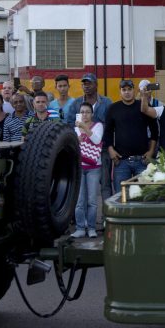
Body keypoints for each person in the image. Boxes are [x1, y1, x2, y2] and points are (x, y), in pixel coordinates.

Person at [104, 80, 159, 193]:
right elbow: (107, 132)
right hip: (121, 162)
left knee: (144, 196)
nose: (127, 92)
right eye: (124, 90)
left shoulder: (143, 106)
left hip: (142, 161)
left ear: (134, 91)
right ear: (120, 92)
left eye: (129, 89)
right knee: (121, 196)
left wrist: (151, 151)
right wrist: (111, 150)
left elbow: (155, 130)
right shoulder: (113, 109)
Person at [66, 73, 113, 199]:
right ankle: (85, 218)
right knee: (83, 187)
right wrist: (77, 133)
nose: (86, 86)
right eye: (84, 84)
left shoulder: (107, 102)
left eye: (89, 83)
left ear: (96, 85)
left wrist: (98, 128)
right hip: (83, 150)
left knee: (105, 184)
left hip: (102, 150)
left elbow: (112, 125)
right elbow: (69, 123)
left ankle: (106, 217)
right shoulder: (76, 103)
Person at [72, 102, 104, 238]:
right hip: (79, 166)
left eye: (87, 112)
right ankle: (80, 228)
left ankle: (91, 228)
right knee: (79, 201)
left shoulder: (98, 126)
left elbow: (97, 140)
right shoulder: (75, 128)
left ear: (92, 114)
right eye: (82, 112)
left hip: (94, 167)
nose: (85, 114)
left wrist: (84, 127)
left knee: (91, 200)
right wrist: (76, 139)